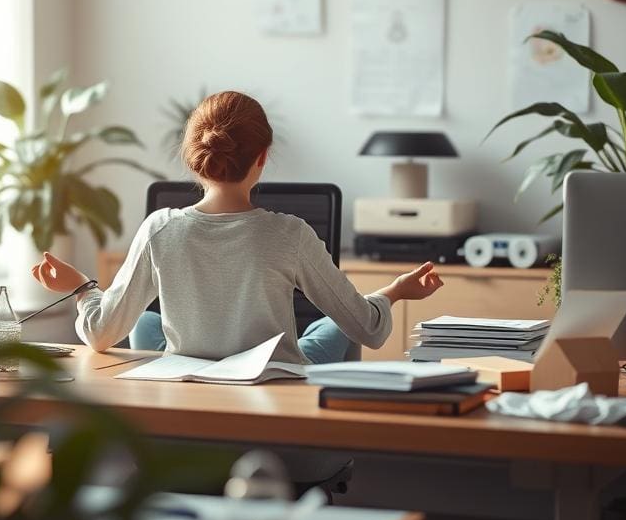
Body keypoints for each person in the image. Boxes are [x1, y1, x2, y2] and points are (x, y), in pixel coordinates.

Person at [33, 90, 444, 365]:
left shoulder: (159, 230)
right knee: (328, 327)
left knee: (146, 322)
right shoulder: (290, 235)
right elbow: (369, 330)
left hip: (191, 392)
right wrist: (395, 291)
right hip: (273, 400)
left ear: (193, 157)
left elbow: (100, 335)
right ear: (262, 156)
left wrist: (83, 288)